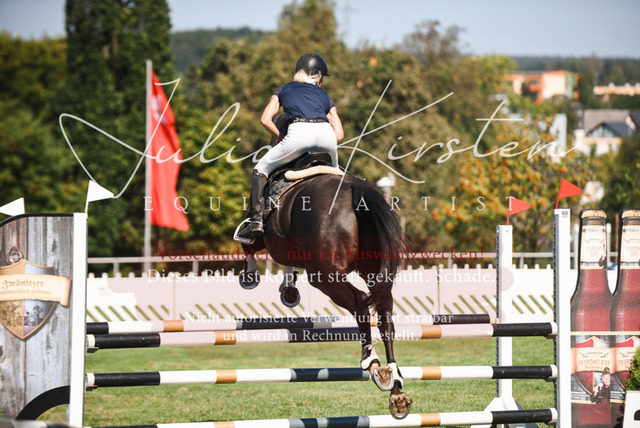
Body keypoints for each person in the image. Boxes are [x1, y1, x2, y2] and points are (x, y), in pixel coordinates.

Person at [236, 53, 344, 240]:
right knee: (338, 176)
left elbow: (265, 120)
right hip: (327, 135)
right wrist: (321, 140)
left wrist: (283, 137)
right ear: (318, 76)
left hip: (298, 134)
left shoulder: (284, 89)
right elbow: (340, 134)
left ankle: (255, 222)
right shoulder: (324, 95)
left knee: (260, 169)